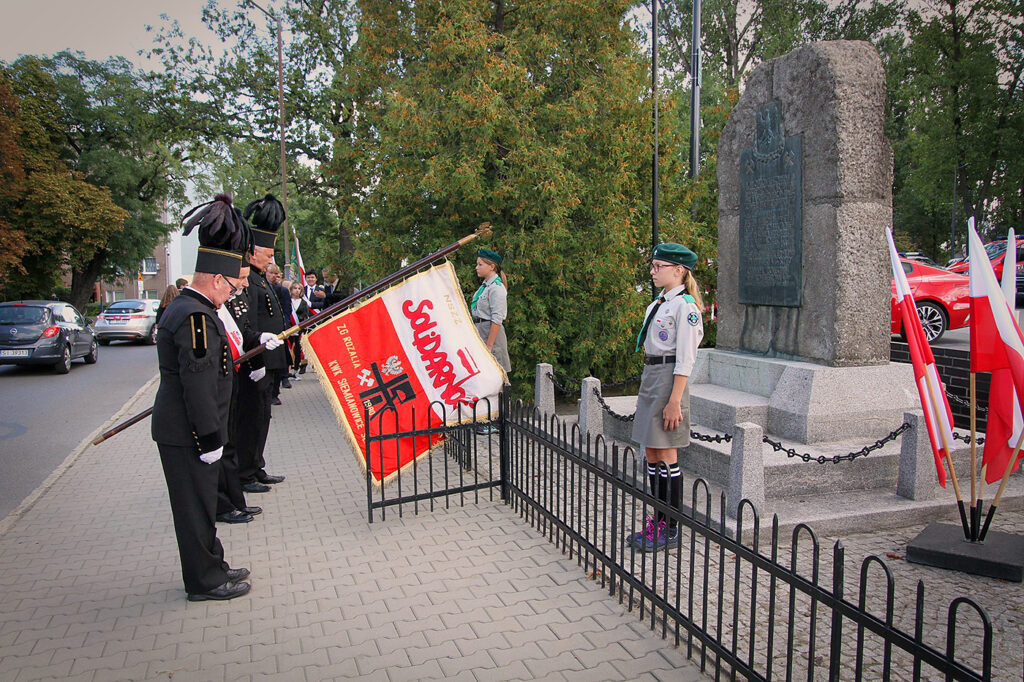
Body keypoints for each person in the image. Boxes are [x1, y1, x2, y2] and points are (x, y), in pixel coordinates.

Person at [152, 193, 252, 601]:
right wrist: (210, 437)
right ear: (216, 280)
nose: (233, 294)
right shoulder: (196, 316)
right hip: (189, 433)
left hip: (187, 430)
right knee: (194, 509)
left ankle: (214, 564)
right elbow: (198, 385)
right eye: (232, 286)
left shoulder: (194, 310)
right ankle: (204, 581)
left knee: (202, 505)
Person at [626, 243, 704, 553]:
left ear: (679, 270)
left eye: (659, 266)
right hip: (652, 376)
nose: (653, 271)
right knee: (652, 452)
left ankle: (670, 527)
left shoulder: (686, 307)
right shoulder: (659, 303)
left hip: (670, 379)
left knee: (667, 454)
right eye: (653, 265)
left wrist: (675, 401)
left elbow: (685, 359)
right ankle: (657, 520)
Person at [239, 194, 289, 489]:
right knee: (253, 418)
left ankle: (256, 465)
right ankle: (246, 471)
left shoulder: (259, 279)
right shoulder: (249, 282)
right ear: (252, 252)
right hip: (257, 361)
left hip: (269, 361)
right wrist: (256, 361)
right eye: (268, 254)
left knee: (263, 417)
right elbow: (249, 326)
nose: (271, 260)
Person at [471, 248, 511, 373]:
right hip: (480, 331)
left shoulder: (497, 288)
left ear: (492, 267)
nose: (476, 267)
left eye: (480, 264)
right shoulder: (485, 286)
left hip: (491, 335)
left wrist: (489, 346)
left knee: (494, 374)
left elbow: (497, 320)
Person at [287, 281, 310, 378]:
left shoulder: (303, 303)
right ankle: (287, 370)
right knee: (288, 350)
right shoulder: (287, 301)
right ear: (291, 290)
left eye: (299, 289)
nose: (297, 290)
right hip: (289, 329)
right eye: (295, 288)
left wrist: (302, 329)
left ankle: (296, 370)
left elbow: (305, 316)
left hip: (298, 330)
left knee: (297, 350)